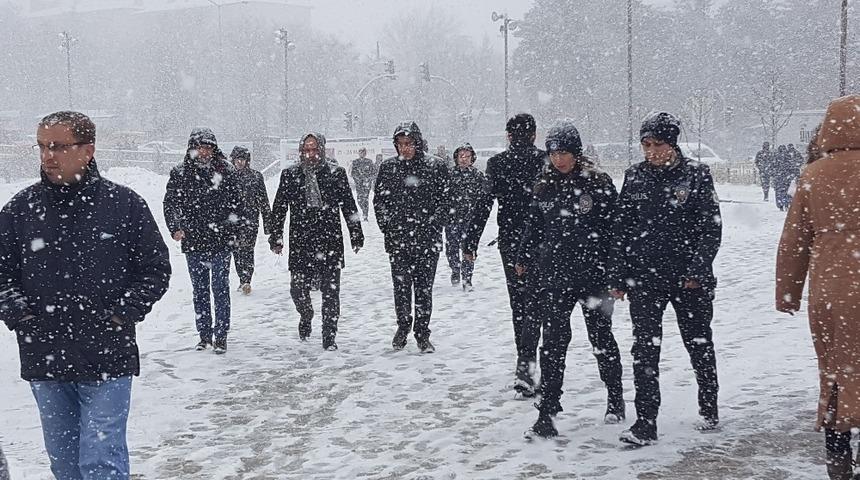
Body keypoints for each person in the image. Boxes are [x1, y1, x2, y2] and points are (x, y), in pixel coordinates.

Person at [0, 111, 171, 479]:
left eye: (58, 146)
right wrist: (22, 318)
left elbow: (155, 269)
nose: (48, 156)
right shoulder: (19, 210)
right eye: (43, 146)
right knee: (64, 464)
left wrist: (121, 315)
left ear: (88, 150)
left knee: (101, 459)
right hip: (45, 356)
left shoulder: (124, 205)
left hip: (107, 356)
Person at [609, 112, 722, 446]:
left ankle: (709, 404)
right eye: (646, 144)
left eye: (658, 144)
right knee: (644, 351)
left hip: (689, 280)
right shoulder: (635, 177)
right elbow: (621, 229)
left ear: (672, 144)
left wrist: (698, 269)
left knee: (698, 343)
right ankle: (646, 421)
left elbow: (710, 228)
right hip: (646, 280)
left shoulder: (696, 175)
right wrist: (618, 274)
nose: (652, 151)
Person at [516, 120, 625, 439]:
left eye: (564, 152)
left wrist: (616, 273)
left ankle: (615, 398)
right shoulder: (545, 185)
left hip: (594, 277)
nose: (559, 159)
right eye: (553, 153)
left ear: (576, 152)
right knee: (553, 344)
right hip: (556, 276)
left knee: (601, 339)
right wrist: (523, 256)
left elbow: (615, 233)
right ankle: (548, 411)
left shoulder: (598, 183)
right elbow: (534, 224)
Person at [775, 95, 860, 480]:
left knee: (834, 372)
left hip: (829, 291)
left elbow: (794, 240)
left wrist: (788, 291)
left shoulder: (814, 175)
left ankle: (838, 459)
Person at [462, 113, 547, 396]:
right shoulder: (546, 161)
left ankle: (525, 365)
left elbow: (483, 204)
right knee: (544, 304)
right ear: (534, 134)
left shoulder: (498, 164)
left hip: (512, 242)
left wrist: (470, 241)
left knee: (520, 305)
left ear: (508, 136)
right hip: (546, 241)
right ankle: (541, 362)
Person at [269, 133, 363, 350]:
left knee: (331, 292)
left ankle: (329, 335)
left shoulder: (335, 173)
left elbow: (348, 206)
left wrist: (356, 233)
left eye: (314, 150)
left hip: (329, 239)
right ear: (301, 151)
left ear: (322, 150)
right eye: (306, 150)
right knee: (298, 289)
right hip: (301, 239)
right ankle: (306, 313)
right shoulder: (290, 175)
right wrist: (276, 236)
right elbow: (280, 207)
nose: (310, 154)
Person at [164, 127, 243, 354]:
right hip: (194, 240)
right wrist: (176, 227)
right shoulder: (180, 173)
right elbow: (170, 203)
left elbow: (237, 204)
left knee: (220, 288)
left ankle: (221, 335)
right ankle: (204, 334)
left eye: (208, 147)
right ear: (192, 149)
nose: (204, 152)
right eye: (200, 147)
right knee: (199, 290)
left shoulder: (225, 171)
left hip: (221, 240)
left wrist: (234, 229)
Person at [374, 122, 450, 353]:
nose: (405, 149)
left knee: (424, 289)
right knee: (401, 287)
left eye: (409, 144)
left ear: (417, 143)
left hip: (427, 240)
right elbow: (379, 201)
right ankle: (403, 325)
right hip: (398, 240)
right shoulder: (388, 168)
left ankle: (422, 332)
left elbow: (445, 201)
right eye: (400, 144)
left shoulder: (435, 166)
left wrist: (433, 224)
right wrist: (387, 226)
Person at [230, 146, 271, 295]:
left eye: (243, 159)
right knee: (236, 252)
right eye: (237, 159)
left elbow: (264, 201)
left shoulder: (256, 177)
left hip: (250, 221)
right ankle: (242, 277)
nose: (240, 162)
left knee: (247, 251)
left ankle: (246, 279)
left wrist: (268, 225)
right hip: (232, 222)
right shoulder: (228, 176)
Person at [445, 143, 486, 291]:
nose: (464, 159)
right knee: (451, 248)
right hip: (452, 219)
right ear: (456, 158)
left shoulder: (478, 175)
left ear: (472, 158)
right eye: (461, 156)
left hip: (470, 220)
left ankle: (467, 277)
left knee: (468, 249)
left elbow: (484, 197)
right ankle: (455, 269)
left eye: (467, 156)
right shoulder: (449, 175)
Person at [350, 147, 376, 221]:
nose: (362, 154)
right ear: (359, 153)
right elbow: (352, 173)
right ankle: (363, 209)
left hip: (366, 184)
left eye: (363, 152)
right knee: (359, 199)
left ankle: (365, 215)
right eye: (361, 152)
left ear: (366, 153)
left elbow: (373, 173)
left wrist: (368, 179)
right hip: (359, 184)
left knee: (365, 199)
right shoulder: (355, 162)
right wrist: (357, 179)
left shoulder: (369, 162)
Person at [772, 144, 799, 211]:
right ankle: (786, 204)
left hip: (779, 177)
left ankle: (781, 205)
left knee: (779, 192)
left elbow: (772, 167)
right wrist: (795, 174)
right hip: (787, 177)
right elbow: (792, 166)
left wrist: (774, 175)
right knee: (787, 191)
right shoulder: (788, 156)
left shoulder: (776, 157)